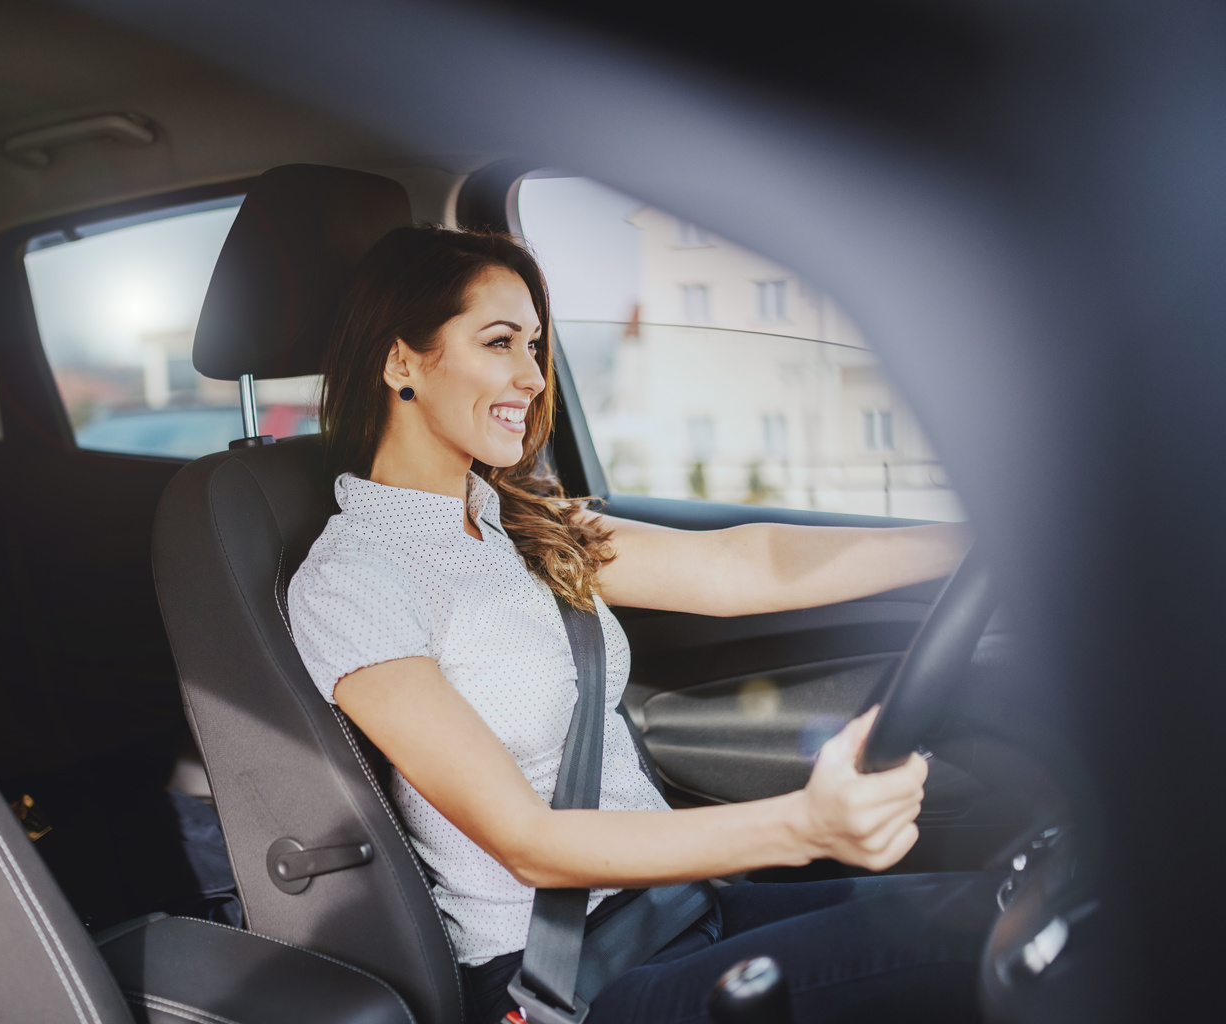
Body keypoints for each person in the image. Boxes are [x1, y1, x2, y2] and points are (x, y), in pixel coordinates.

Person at [287, 225, 998, 1024]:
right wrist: (805, 824)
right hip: (564, 977)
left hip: (679, 912)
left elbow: (743, 568)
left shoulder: (519, 523)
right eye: (499, 343)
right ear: (401, 363)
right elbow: (525, 840)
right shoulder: (351, 580)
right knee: (1000, 951)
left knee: (1012, 905)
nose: (531, 374)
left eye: (535, 344)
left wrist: (985, 540)